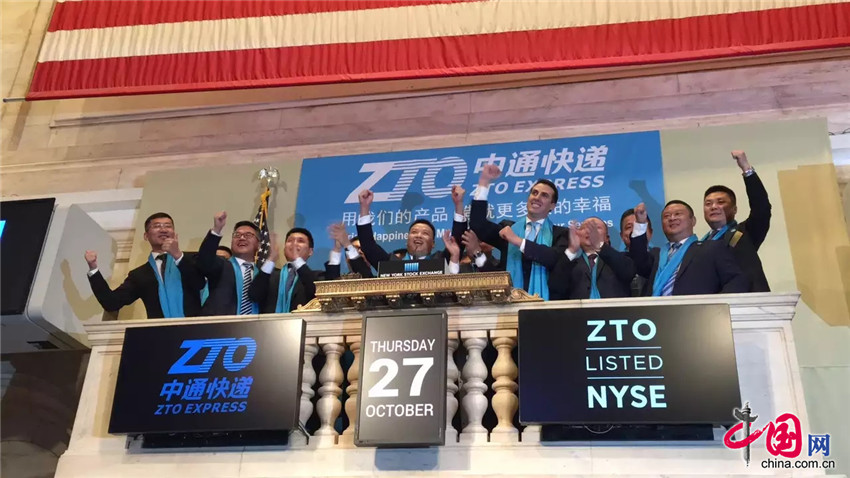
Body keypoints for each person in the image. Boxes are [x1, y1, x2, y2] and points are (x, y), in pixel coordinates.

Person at [470, 164, 570, 299]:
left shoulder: (561, 234)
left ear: (552, 205)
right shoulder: (508, 228)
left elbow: (553, 258)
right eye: (534, 193)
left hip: (546, 305)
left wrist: (517, 241)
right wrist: (484, 183)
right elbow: (478, 224)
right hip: (509, 304)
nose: (537, 197)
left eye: (544, 195)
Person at [85, 212, 204, 318]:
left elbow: (200, 283)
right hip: (160, 333)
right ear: (146, 236)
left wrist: (177, 255)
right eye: (157, 226)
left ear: (174, 233)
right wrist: (93, 268)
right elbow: (111, 303)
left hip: (198, 331)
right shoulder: (140, 275)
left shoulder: (191, 259)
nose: (163, 229)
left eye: (168, 226)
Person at [630, 201, 749, 296]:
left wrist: (715, 306)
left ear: (693, 221)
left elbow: (736, 280)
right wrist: (640, 223)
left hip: (696, 316)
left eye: (678, 214)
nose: (672, 218)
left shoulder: (711, 248)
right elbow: (639, 262)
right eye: (666, 216)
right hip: (655, 316)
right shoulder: (656, 254)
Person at [702, 151, 771, 292]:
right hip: (713, 303)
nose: (713, 207)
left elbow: (761, 208)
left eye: (720, 202)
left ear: (734, 209)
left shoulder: (745, 233)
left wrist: (746, 169)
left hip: (746, 300)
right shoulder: (700, 244)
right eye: (708, 203)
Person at [356, 189, 463, 273]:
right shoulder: (391, 263)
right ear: (407, 240)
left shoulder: (441, 260)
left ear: (433, 244)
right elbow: (368, 246)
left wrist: (459, 204)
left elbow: (458, 241)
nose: (418, 235)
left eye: (425, 233)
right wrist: (364, 207)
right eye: (414, 232)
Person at [196, 212, 275, 316]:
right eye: (237, 235)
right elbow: (204, 260)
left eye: (248, 235)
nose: (242, 238)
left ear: (259, 245)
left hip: (253, 325)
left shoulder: (263, 275)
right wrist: (216, 230)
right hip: (219, 325)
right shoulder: (222, 265)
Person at [549, 218, 635, 300]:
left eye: (596, 228)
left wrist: (599, 245)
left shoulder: (620, 258)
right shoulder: (570, 264)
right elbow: (556, 289)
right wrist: (572, 250)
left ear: (607, 238)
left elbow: (628, 273)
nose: (589, 231)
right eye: (584, 228)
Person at [248, 228, 321, 313]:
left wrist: (297, 260)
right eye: (290, 241)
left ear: (310, 251)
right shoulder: (269, 275)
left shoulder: (317, 277)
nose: (294, 244)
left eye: (300, 241)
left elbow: (316, 293)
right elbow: (254, 296)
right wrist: (271, 259)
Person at [620, 208, 653, 296]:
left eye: (640, 225)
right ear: (622, 235)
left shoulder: (660, 258)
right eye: (629, 227)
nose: (635, 231)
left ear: (651, 232)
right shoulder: (614, 262)